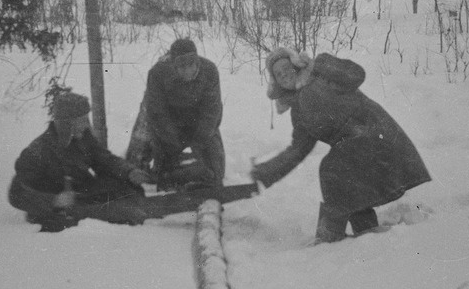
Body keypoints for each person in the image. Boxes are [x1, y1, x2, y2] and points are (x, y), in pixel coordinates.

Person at [251, 48, 431, 244]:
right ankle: (367, 231)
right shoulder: (298, 111)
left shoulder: (320, 73)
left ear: (296, 65)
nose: (284, 74)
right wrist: (265, 172)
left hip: (375, 132)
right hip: (355, 146)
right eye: (278, 74)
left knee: (333, 168)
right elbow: (298, 150)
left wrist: (322, 65)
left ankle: (330, 236)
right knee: (345, 172)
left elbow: (357, 74)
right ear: (276, 82)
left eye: (286, 67)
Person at [8, 91, 152, 232]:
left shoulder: (83, 138)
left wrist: (129, 171)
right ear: (67, 123)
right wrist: (54, 200)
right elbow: (17, 193)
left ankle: (134, 210)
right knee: (113, 212)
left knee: (126, 187)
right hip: (56, 209)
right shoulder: (38, 151)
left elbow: (105, 160)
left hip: (81, 195)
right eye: (82, 120)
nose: (86, 125)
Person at [126, 38, 225, 189]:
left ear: (197, 61)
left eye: (191, 65)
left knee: (215, 173)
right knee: (146, 171)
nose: (188, 71)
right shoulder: (157, 74)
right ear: (173, 66)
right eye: (182, 67)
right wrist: (174, 145)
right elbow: (157, 114)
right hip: (167, 120)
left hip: (196, 119)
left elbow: (211, 113)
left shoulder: (209, 70)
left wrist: (197, 144)